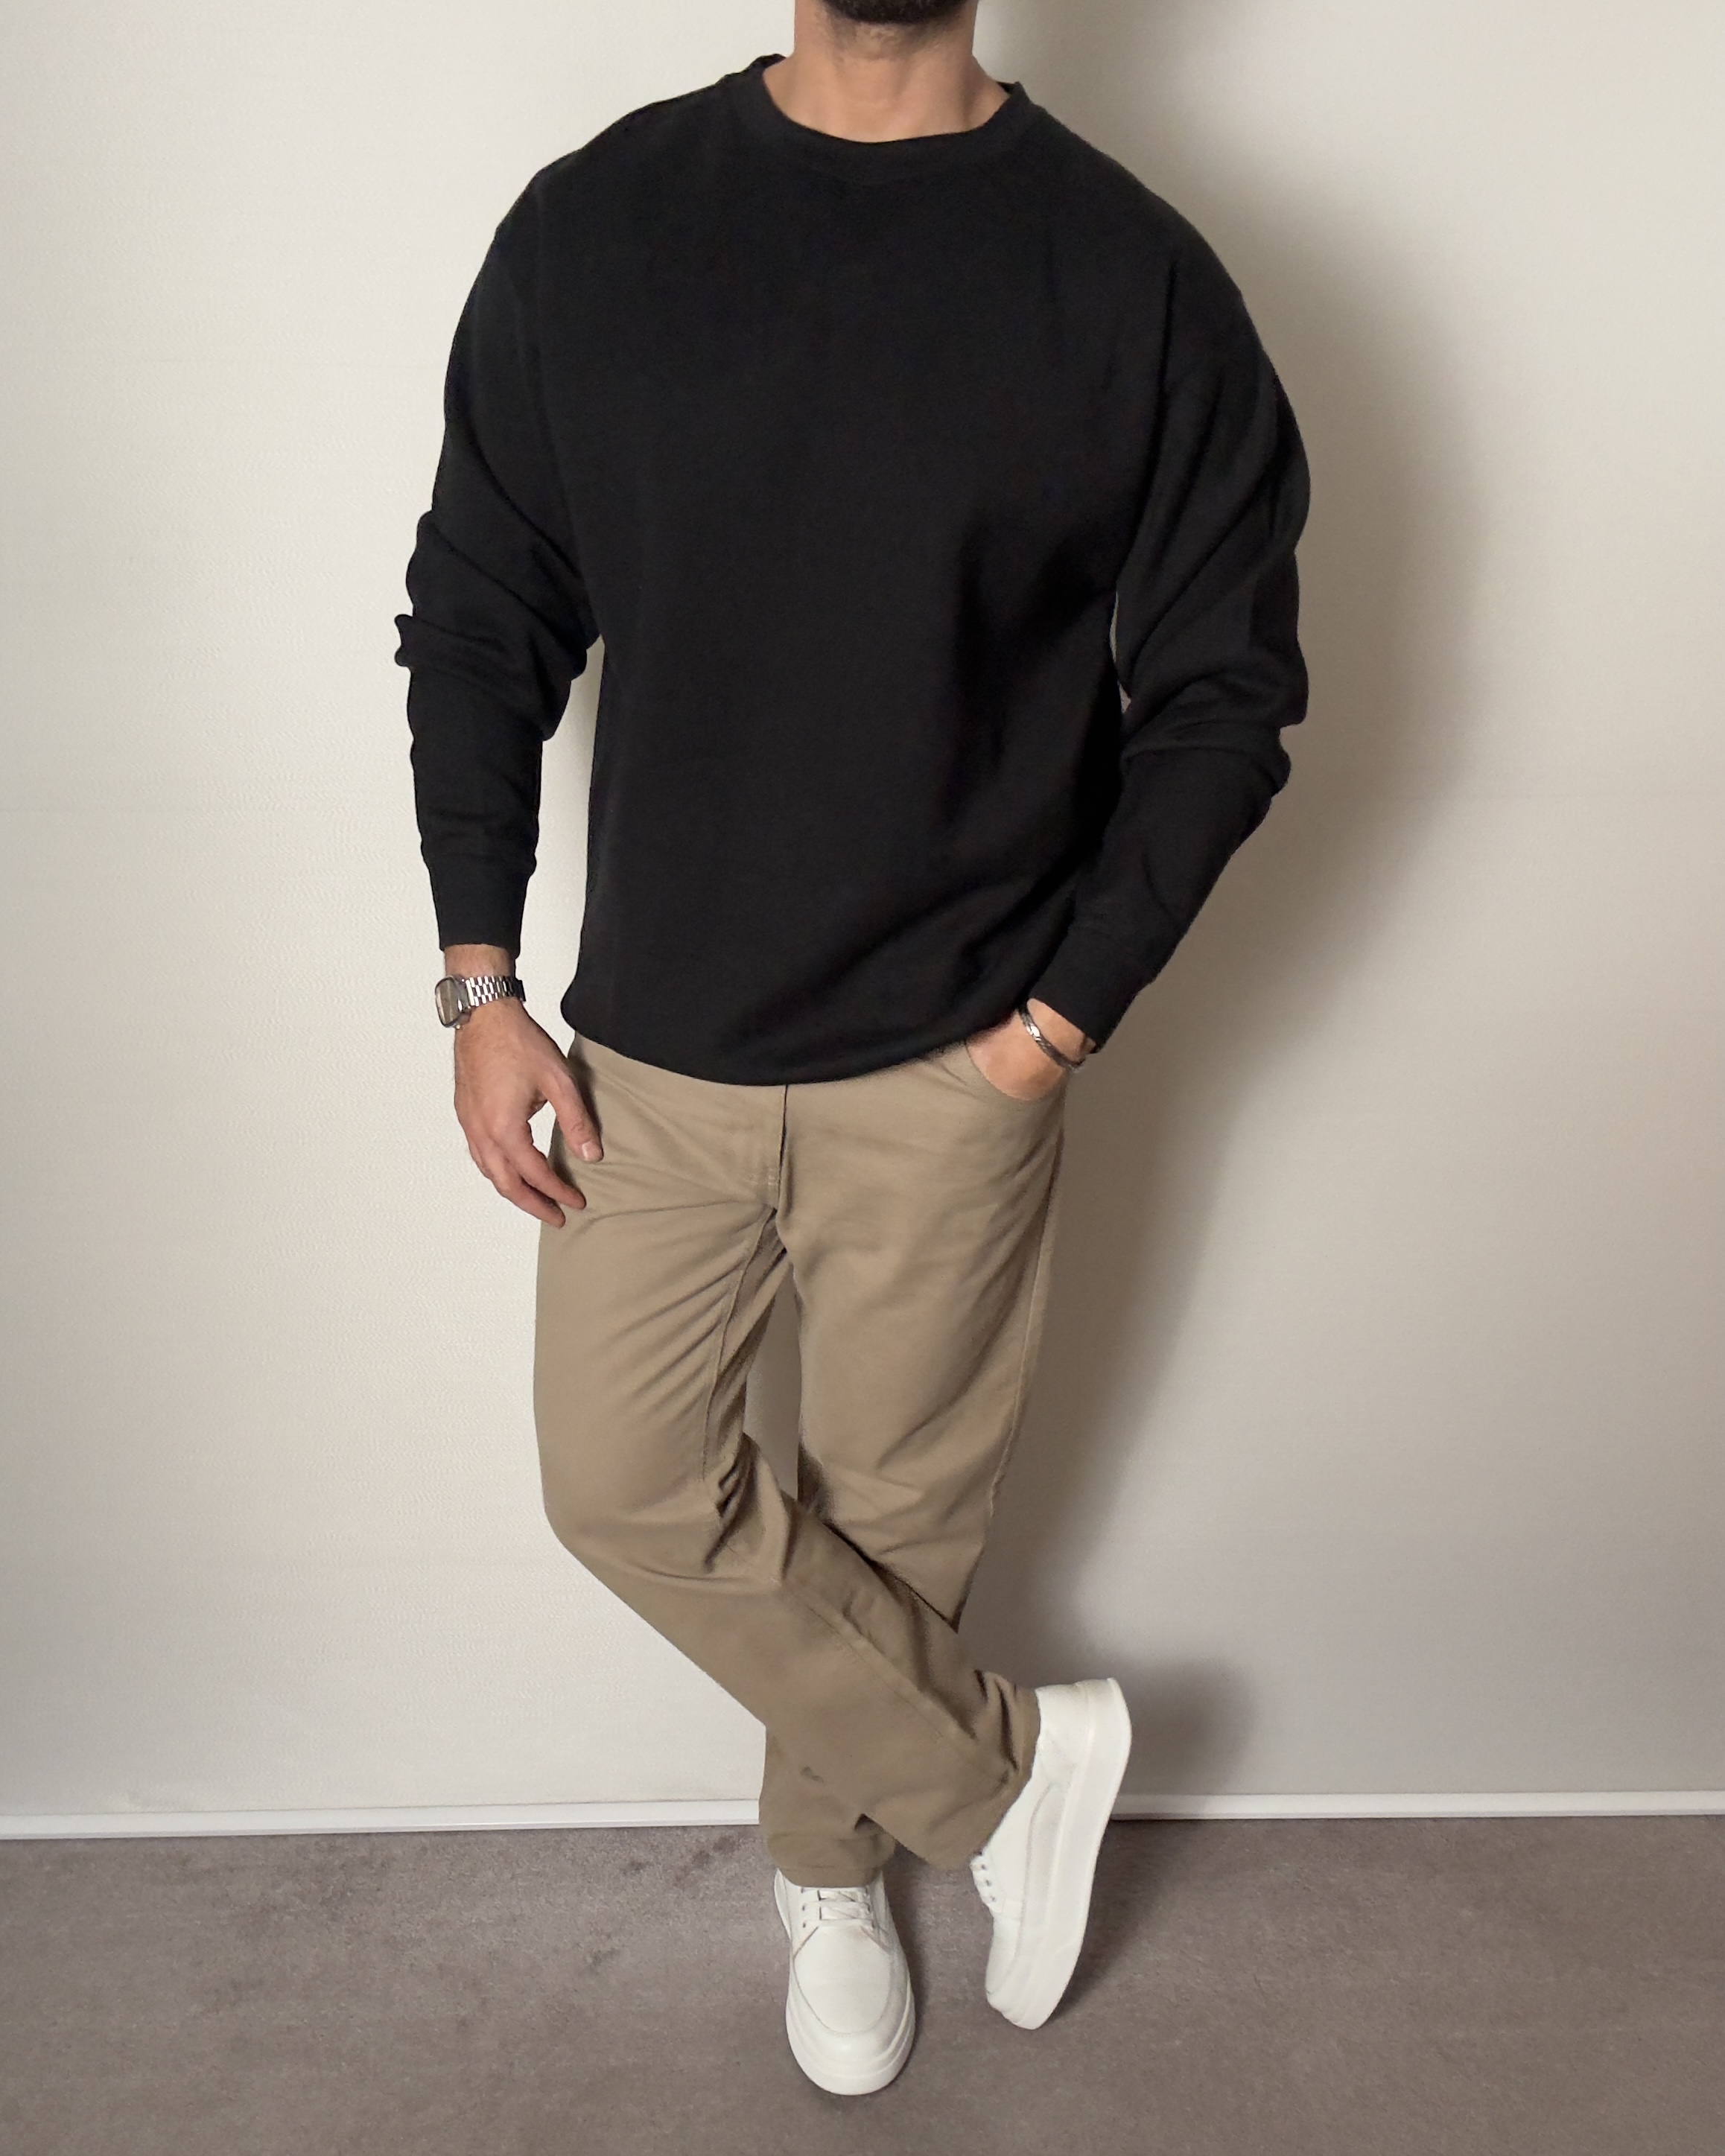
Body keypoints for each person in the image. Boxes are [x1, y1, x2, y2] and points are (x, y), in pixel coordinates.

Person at [393, 0, 1309, 2097]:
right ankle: (1008, 1780)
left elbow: (1222, 692)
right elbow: (480, 607)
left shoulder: (1131, 275)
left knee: (893, 1525)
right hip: (651, 1056)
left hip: (960, 1062)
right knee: (622, 1486)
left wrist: (1056, 1022)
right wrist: (477, 979)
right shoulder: (600, 227)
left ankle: (831, 1870)